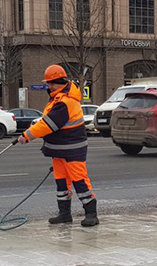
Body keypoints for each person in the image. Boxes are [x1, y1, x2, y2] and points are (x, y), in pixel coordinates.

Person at [18, 65, 98, 227]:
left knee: (80, 181)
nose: (49, 86)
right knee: (61, 183)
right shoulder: (57, 98)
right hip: (60, 149)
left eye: (51, 83)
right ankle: (64, 214)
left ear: (59, 82)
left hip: (72, 150)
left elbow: (48, 124)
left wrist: (27, 136)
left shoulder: (65, 102)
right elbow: (46, 122)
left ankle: (91, 214)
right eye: (48, 83)